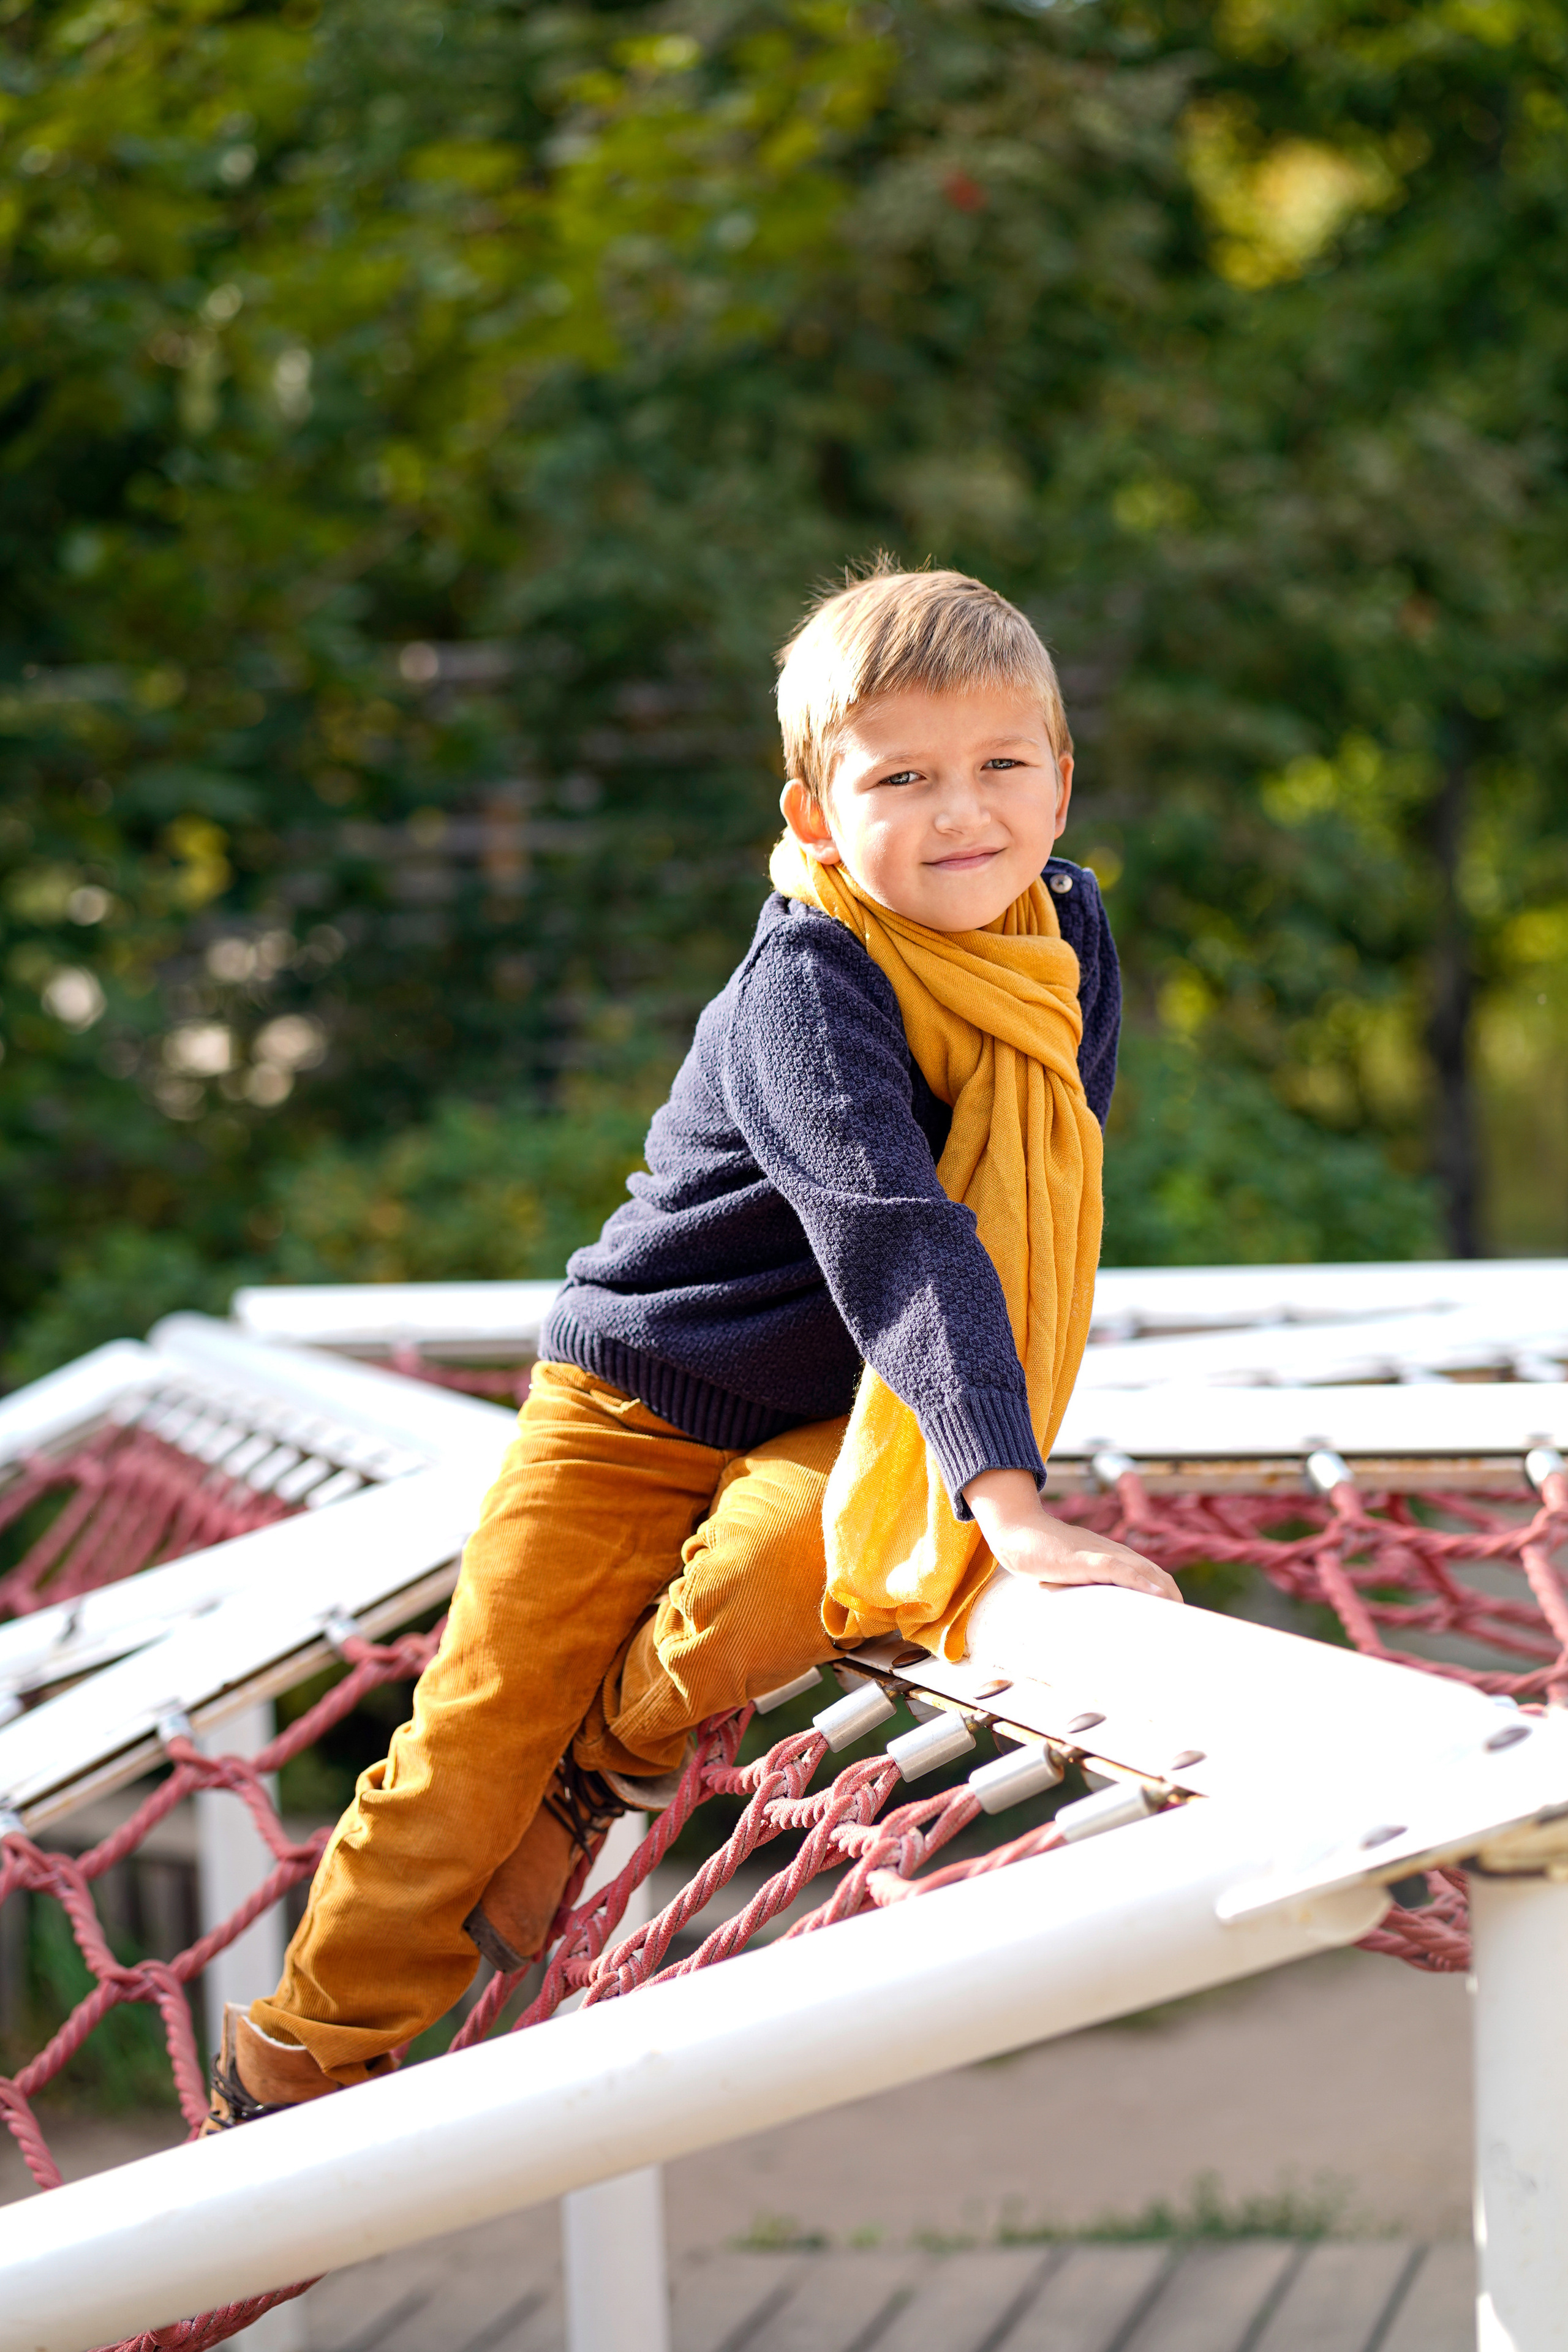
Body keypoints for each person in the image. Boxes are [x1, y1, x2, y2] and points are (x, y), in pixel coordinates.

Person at [204, 564, 1178, 2129]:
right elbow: (897, 1228)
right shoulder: (809, 977)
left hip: (824, 1402)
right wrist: (1011, 1499)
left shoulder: (1062, 932)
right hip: (636, 1394)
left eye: (1002, 765)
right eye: (902, 778)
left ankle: (608, 1762)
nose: (962, 813)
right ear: (811, 811)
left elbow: (1039, 1167)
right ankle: (303, 2061)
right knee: (469, 1737)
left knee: (802, 1563)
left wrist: (970, 1464)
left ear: (1062, 778)